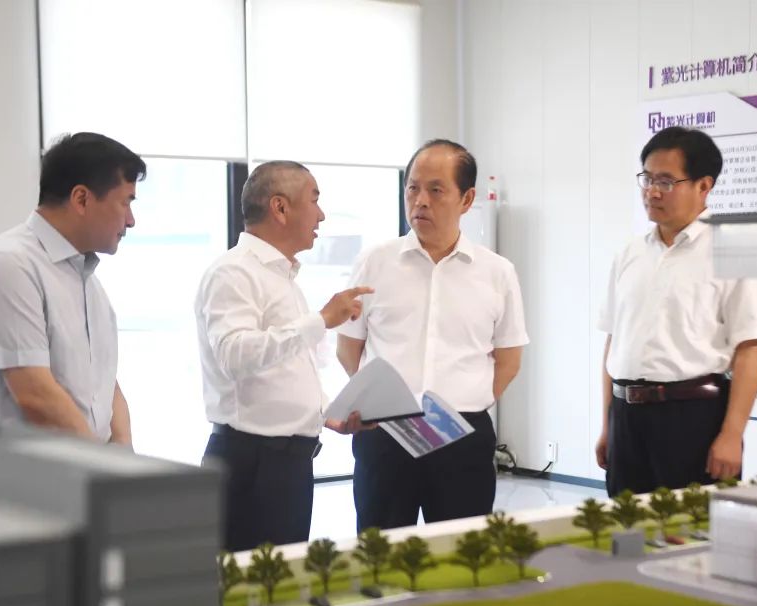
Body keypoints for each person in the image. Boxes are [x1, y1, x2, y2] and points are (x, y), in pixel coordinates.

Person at [337, 139, 529, 531]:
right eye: (413, 188)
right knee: (381, 550)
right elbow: (348, 348)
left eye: (436, 190)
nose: (420, 200)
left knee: (463, 551)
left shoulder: (496, 272)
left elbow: (508, 361)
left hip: (463, 435)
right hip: (386, 434)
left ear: (467, 199)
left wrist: (462, 402)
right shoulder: (375, 262)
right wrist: (381, 400)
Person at [195, 161, 372, 552]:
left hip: (287, 464)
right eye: (314, 200)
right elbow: (234, 354)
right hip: (252, 463)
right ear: (280, 207)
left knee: (281, 580)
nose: (321, 215)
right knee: (248, 583)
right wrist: (322, 320)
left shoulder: (281, 277)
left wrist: (327, 413)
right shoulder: (233, 273)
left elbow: (286, 369)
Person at [596, 126, 757, 496]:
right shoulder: (630, 254)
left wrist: (732, 435)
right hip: (627, 418)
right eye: (646, 178)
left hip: (692, 418)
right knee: (626, 527)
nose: (652, 191)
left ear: (704, 185)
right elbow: (614, 342)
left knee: (690, 528)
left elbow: (751, 347)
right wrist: (608, 425)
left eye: (665, 181)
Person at [0, 132, 146, 444]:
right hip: (19, 471)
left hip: (82, 466)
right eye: (125, 202)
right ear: (81, 199)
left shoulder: (88, 282)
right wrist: (102, 465)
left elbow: (105, 386)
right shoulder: (8, 264)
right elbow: (36, 396)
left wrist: (123, 458)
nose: (131, 220)